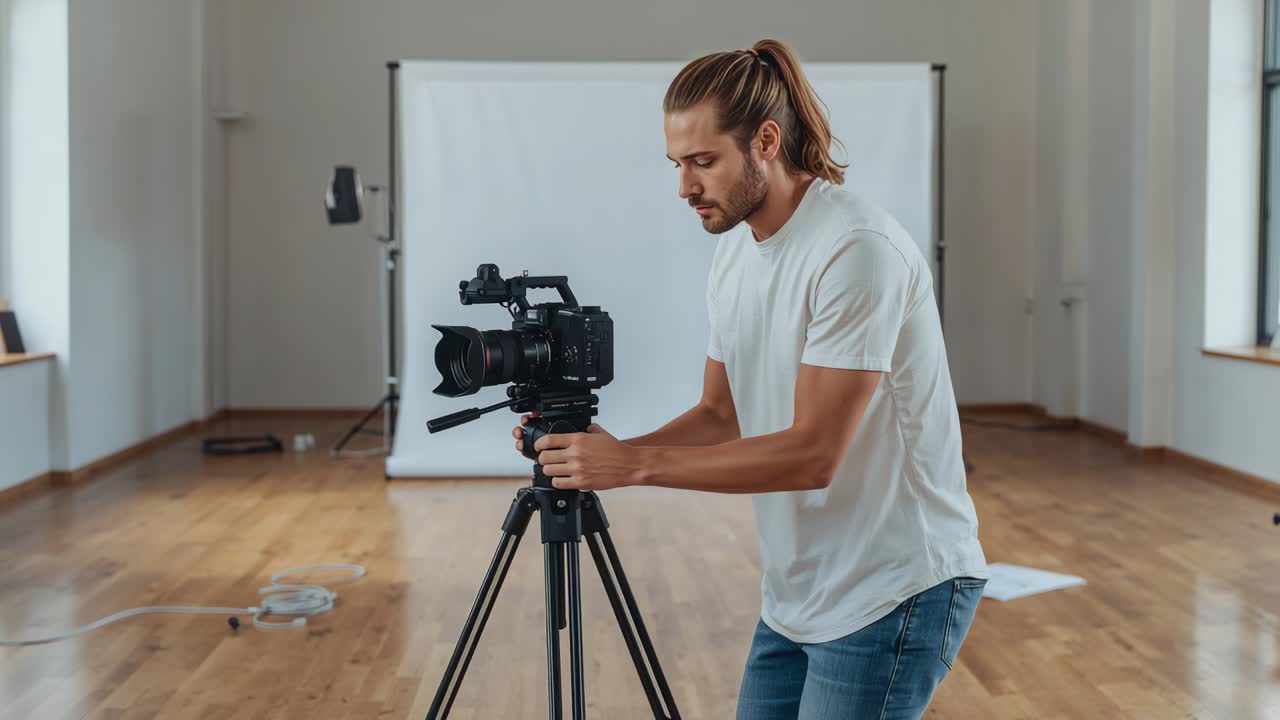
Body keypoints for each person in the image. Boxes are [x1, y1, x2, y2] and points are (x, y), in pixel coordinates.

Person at [512, 38, 989, 720]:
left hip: (894, 586)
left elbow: (814, 454)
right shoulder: (737, 251)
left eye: (703, 162)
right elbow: (718, 414)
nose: (684, 186)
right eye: (677, 164)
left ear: (766, 140)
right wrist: (601, 453)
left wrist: (636, 466)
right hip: (800, 591)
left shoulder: (856, 252)